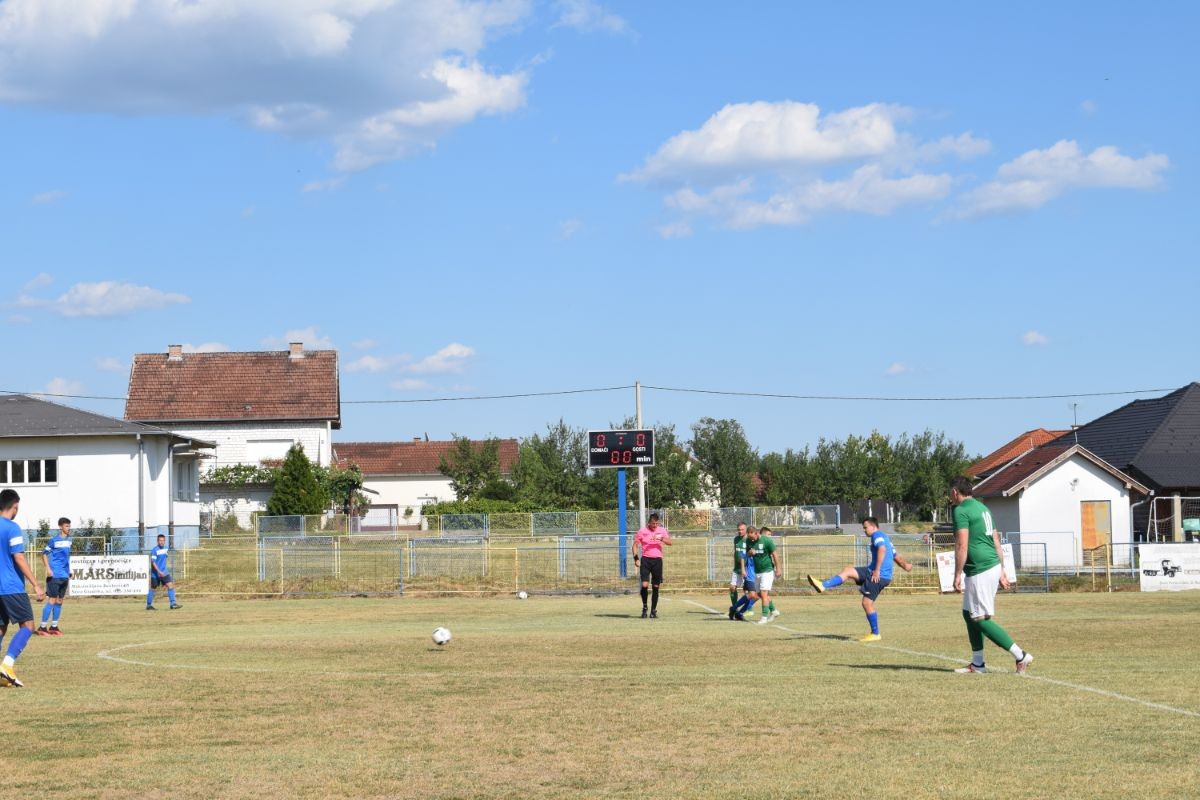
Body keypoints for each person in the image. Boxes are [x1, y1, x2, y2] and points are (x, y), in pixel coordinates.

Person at [949, 476, 1032, 674]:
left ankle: (1020, 655)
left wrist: (957, 574)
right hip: (991, 565)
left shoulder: (961, 510)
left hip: (980, 569)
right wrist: (1002, 570)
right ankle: (978, 664)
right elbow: (996, 540)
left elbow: (962, 544)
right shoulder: (983, 508)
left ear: (954, 492)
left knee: (980, 618)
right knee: (968, 614)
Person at [806, 517, 913, 642]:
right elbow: (896, 557)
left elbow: (882, 549)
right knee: (848, 571)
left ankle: (875, 633)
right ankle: (823, 585)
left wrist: (877, 570)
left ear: (873, 527)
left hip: (878, 575)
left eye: (865, 527)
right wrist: (906, 566)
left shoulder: (877, 536)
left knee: (867, 603)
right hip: (873, 571)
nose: (864, 530)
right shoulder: (886, 538)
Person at [0, 489, 45, 687]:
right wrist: (36, 584)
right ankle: (7, 665)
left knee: (1, 628)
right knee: (28, 626)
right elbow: (18, 556)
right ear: (15, 505)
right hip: (11, 587)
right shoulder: (12, 528)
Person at [632, 513, 672, 618]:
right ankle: (645, 607)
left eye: (656, 523)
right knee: (644, 585)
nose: (655, 525)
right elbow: (635, 545)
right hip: (645, 560)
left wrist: (662, 538)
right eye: (653, 523)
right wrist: (636, 559)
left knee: (655, 586)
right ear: (649, 522)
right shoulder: (642, 531)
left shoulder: (662, 530)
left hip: (657, 560)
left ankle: (653, 611)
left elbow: (670, 542)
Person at [37, 517, 72, 636]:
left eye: (69, 526)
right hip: (55, 575)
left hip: (64, 575)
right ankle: (42, 627)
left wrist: (69, 571)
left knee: (60, 601)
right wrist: (48, 568)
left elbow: (66, 557)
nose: (68, 528)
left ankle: (54, 626)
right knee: (52, 600)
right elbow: (44, 554)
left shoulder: (69, 540)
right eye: (66, 526)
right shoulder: (54, 540)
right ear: (60, 527)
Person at [745, 526, 780, 624]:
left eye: (752, 537)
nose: (751, 540)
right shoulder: (748, 541)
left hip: (767, 571)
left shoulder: (766, 541)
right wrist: (750, 553)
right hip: (757, 571)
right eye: (749, 537)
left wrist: (778, 569)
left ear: (756, 533)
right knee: (760, 594)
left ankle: (764, 617)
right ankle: (774, 611)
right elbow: (747, 554)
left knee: (763, 593)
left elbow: (775, 555)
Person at [147, 533, 181, 610]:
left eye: (163, 540)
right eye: (160, 540)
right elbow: (153, 562)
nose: (161, 542)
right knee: (153, 588)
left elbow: (165, 558)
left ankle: (173, 604)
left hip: (164, 572)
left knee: (170, 585)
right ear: (157, 541)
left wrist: (163, 569)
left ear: (164, 541)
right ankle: (148, 605)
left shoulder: (166, 549)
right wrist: (159, 572)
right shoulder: (155, 550)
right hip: (155, 573)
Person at [731, 527, 759, 620]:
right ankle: (734, 608)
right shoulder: (750, 545)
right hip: (750, 574)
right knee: (752, 595)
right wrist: (743, 569)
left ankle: (739, 612)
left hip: (759, 574)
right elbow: (743, 556)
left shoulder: (764, 544)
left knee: (757, 596)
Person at [728, 522, 748, 618]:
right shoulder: (736, 539)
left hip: (746, 568)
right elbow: (736, 552)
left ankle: (747, 610)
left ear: (746, 529)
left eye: (742, 529)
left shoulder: (749, 540)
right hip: (737, 568)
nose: (740, 531)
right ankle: (735, 608)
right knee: (732, 587)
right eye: (739, 529)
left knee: (747, 591)